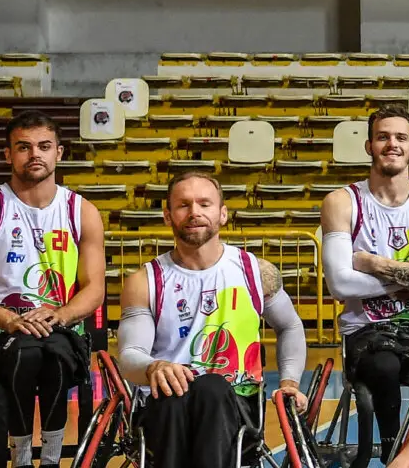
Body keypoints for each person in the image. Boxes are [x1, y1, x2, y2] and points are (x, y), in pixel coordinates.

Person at [116, 172, 309, 468]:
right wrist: (154, 367)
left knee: (212, 388)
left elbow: (290, 326)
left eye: (204, 204)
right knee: (176, 392)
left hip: (236, 403)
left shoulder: (255, 272)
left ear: (222, 214)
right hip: (167, 405)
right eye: (183, 205)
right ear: (167, 216)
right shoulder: (145, 281)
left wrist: (289, 382)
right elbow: (130, 355)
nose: (194, 212)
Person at [0, 111, 106, 468]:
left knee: (51, 352)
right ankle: (21, 457)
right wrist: (10, 320)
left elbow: (94, 289)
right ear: (8, 154)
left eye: (44, 146)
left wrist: (60, 315)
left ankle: (50, 458)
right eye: (23, 147)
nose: (34, 154)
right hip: (3, 330)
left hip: (61, 328)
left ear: (59, 153)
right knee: (27, 352)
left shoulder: (82, 212)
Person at [320, 106, 409, 468]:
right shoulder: (342, 202)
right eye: (383, 137)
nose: (392, 144)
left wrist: (372, 264)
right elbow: (340, 283)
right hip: (367, 330)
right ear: (369, 146)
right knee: (383, 366)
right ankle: (395, 452)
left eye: (401, 137)